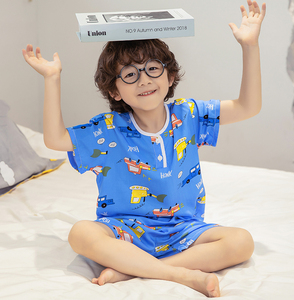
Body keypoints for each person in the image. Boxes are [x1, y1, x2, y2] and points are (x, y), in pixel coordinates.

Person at [22, 1, 266, 297]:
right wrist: (52, 78)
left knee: (242, 242)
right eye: (130, 74)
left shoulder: (189, 114)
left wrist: (250, 45)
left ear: (170, 76)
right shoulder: (108, 129)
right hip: (124, 231)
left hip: (182, 228)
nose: (144, 79)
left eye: (152, 68)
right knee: (80, 233)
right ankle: (180, 275)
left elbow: (248, 107)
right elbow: (56, 140)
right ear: (114, 90)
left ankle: (132, 269)